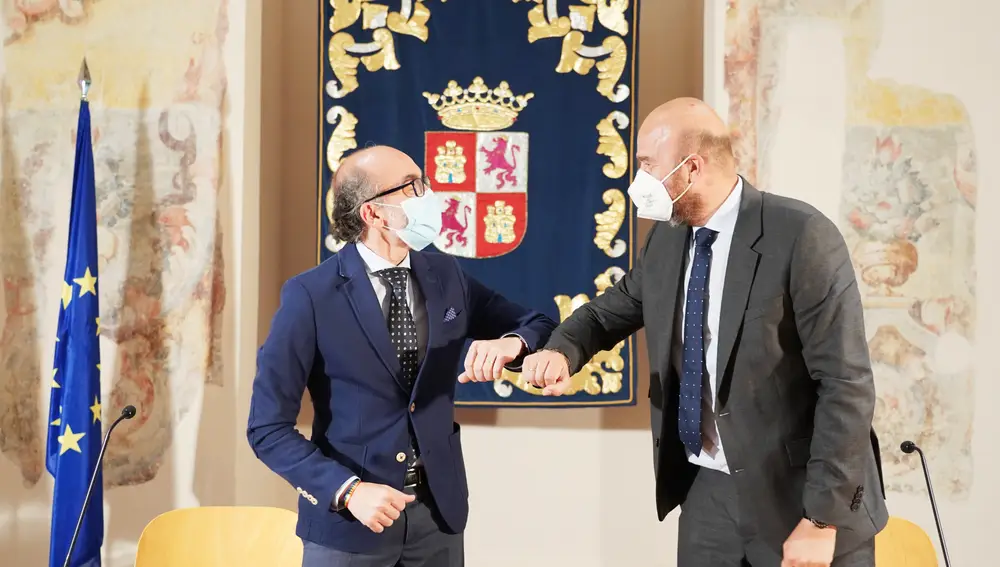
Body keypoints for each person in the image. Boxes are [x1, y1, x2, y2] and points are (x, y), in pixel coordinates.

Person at [520, 98, 888, 567]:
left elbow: (846, 385)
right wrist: (562, 351)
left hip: (799, 496)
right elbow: (606, 314)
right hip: (707, 494)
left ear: (691, 167)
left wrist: (820, 521)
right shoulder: (668, 240)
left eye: (649, 166)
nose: (639, 181)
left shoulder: (801, 235)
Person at [248, 145, 556, 567]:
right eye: (415, 186)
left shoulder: (445, 275)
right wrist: (349, 491)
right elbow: (267, 428)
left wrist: (510, 344)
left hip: (437, 518)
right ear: (373, 214)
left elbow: (539, 323)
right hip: (349, 526)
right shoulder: (309, 296)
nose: (431, 194)